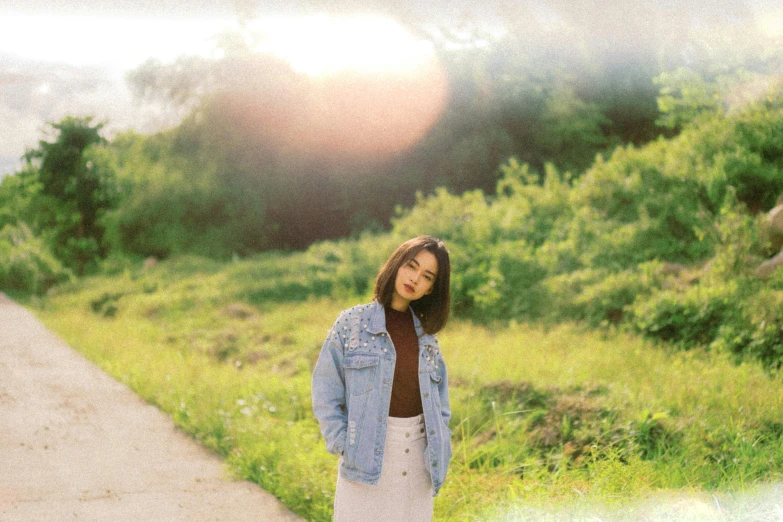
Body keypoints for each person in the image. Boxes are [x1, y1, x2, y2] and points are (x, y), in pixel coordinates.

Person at [312, 236, 453, 521]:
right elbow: (325, 391)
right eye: (411, 266)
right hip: (364, 455)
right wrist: (344, 443)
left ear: (430, 289)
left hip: (418, 459)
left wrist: (442, 443)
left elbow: (441, 404)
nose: (415, 278)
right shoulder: (351, 323)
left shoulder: (427, 338)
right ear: (396, 264)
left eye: (427, 277)